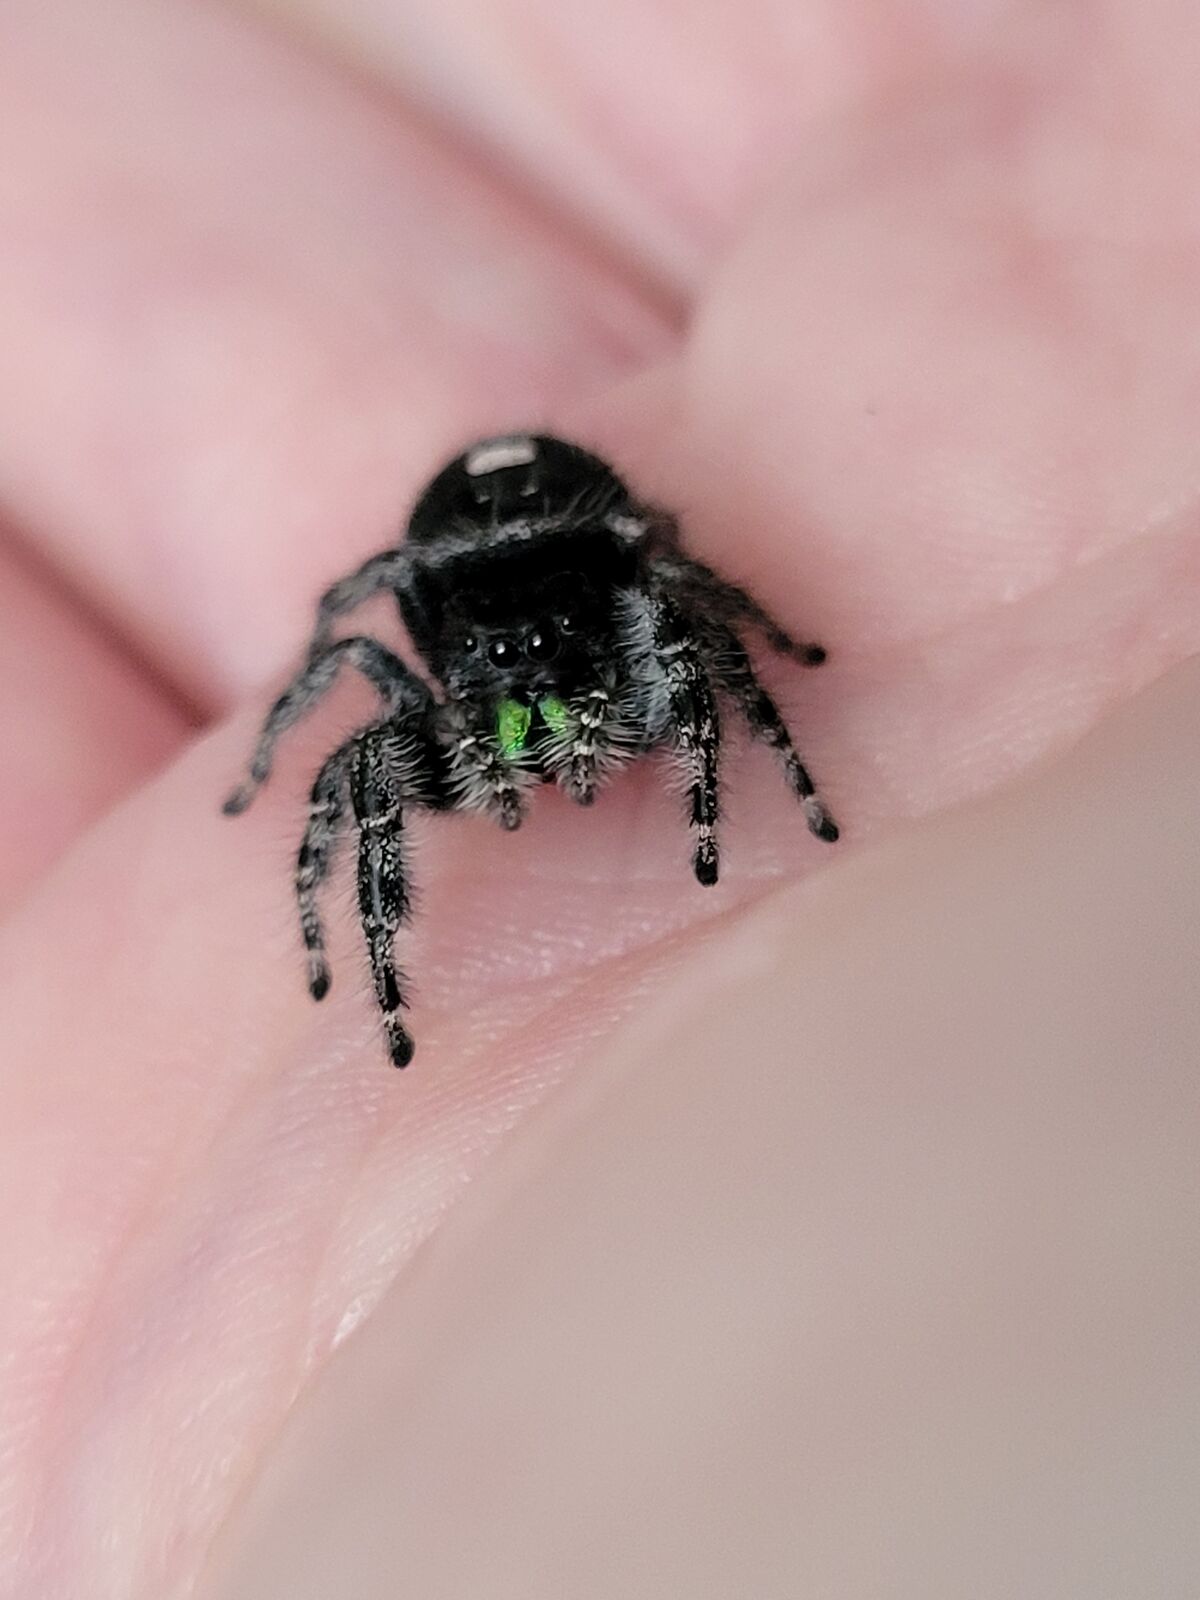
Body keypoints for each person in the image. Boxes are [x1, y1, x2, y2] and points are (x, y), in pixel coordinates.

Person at [1, 1, 1197, 1594]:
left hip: (586, 542)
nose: (545, 737)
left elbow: (682, 604)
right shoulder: (429, 693)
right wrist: (324, 930)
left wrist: (736, 801)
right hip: (473, 556)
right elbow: (361, 671)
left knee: (677, 611)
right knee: (361, 763)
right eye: (513, 725)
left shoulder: (632, 624)